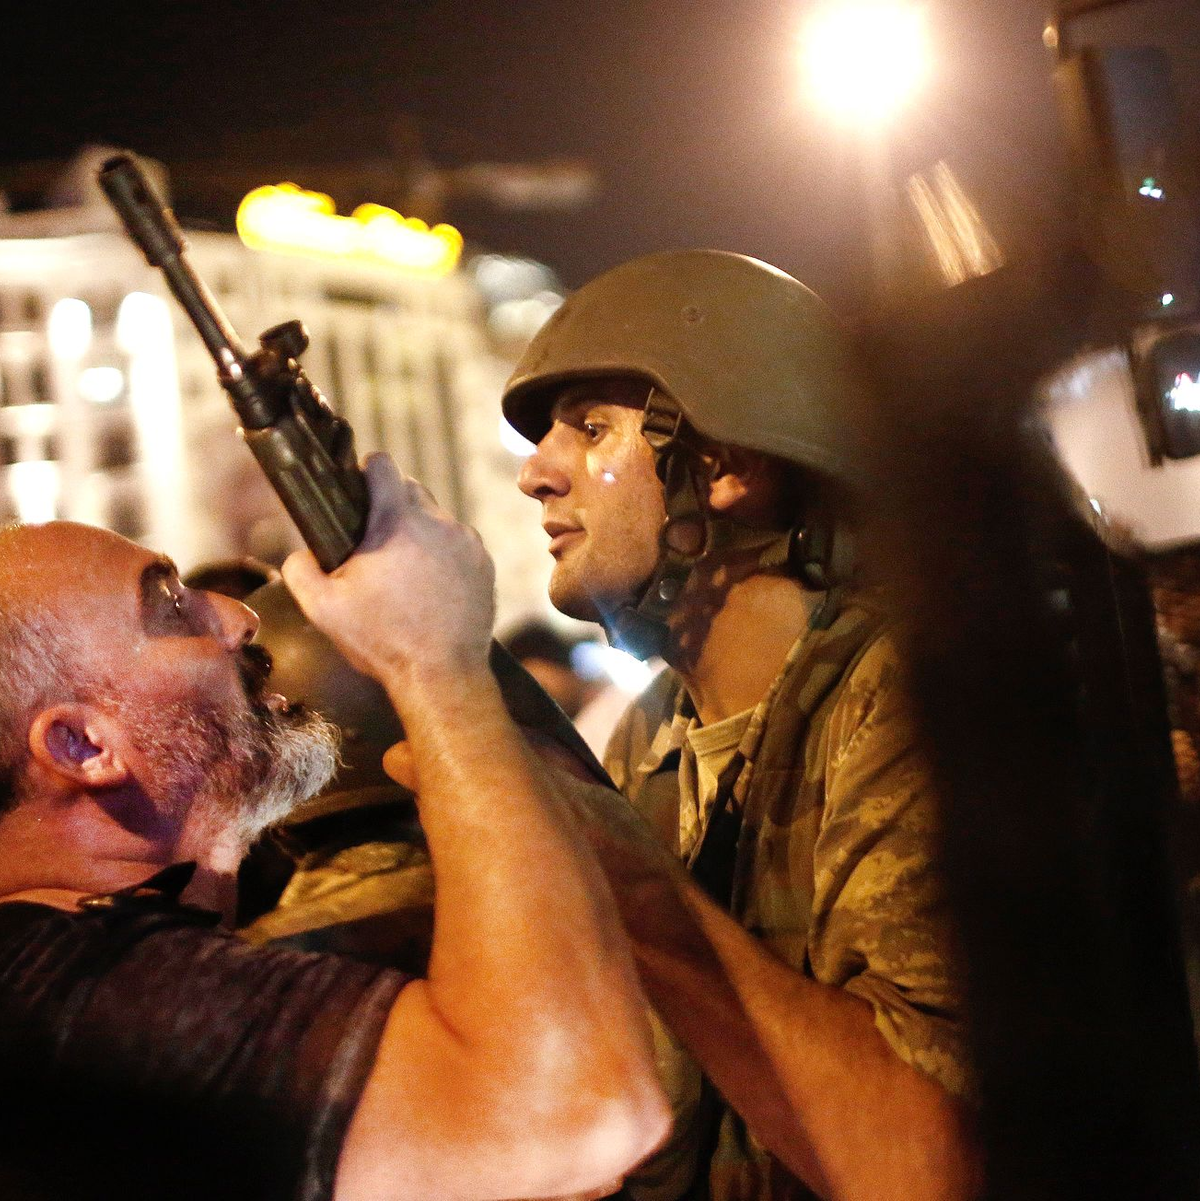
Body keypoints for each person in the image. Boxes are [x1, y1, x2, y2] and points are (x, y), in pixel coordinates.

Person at [0, 455, 669, 1201]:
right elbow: (578, 1114)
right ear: (81, 747)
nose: (240, 617)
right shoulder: (58, 1000)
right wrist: (434, 662)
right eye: (171, 607)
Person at [501, 250, 980, 1200]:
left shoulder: (903, 699)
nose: (536, 475)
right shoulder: (652, 737)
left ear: (725, 467)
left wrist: (631, 891)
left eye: (591, 428)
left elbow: (935, 1162)